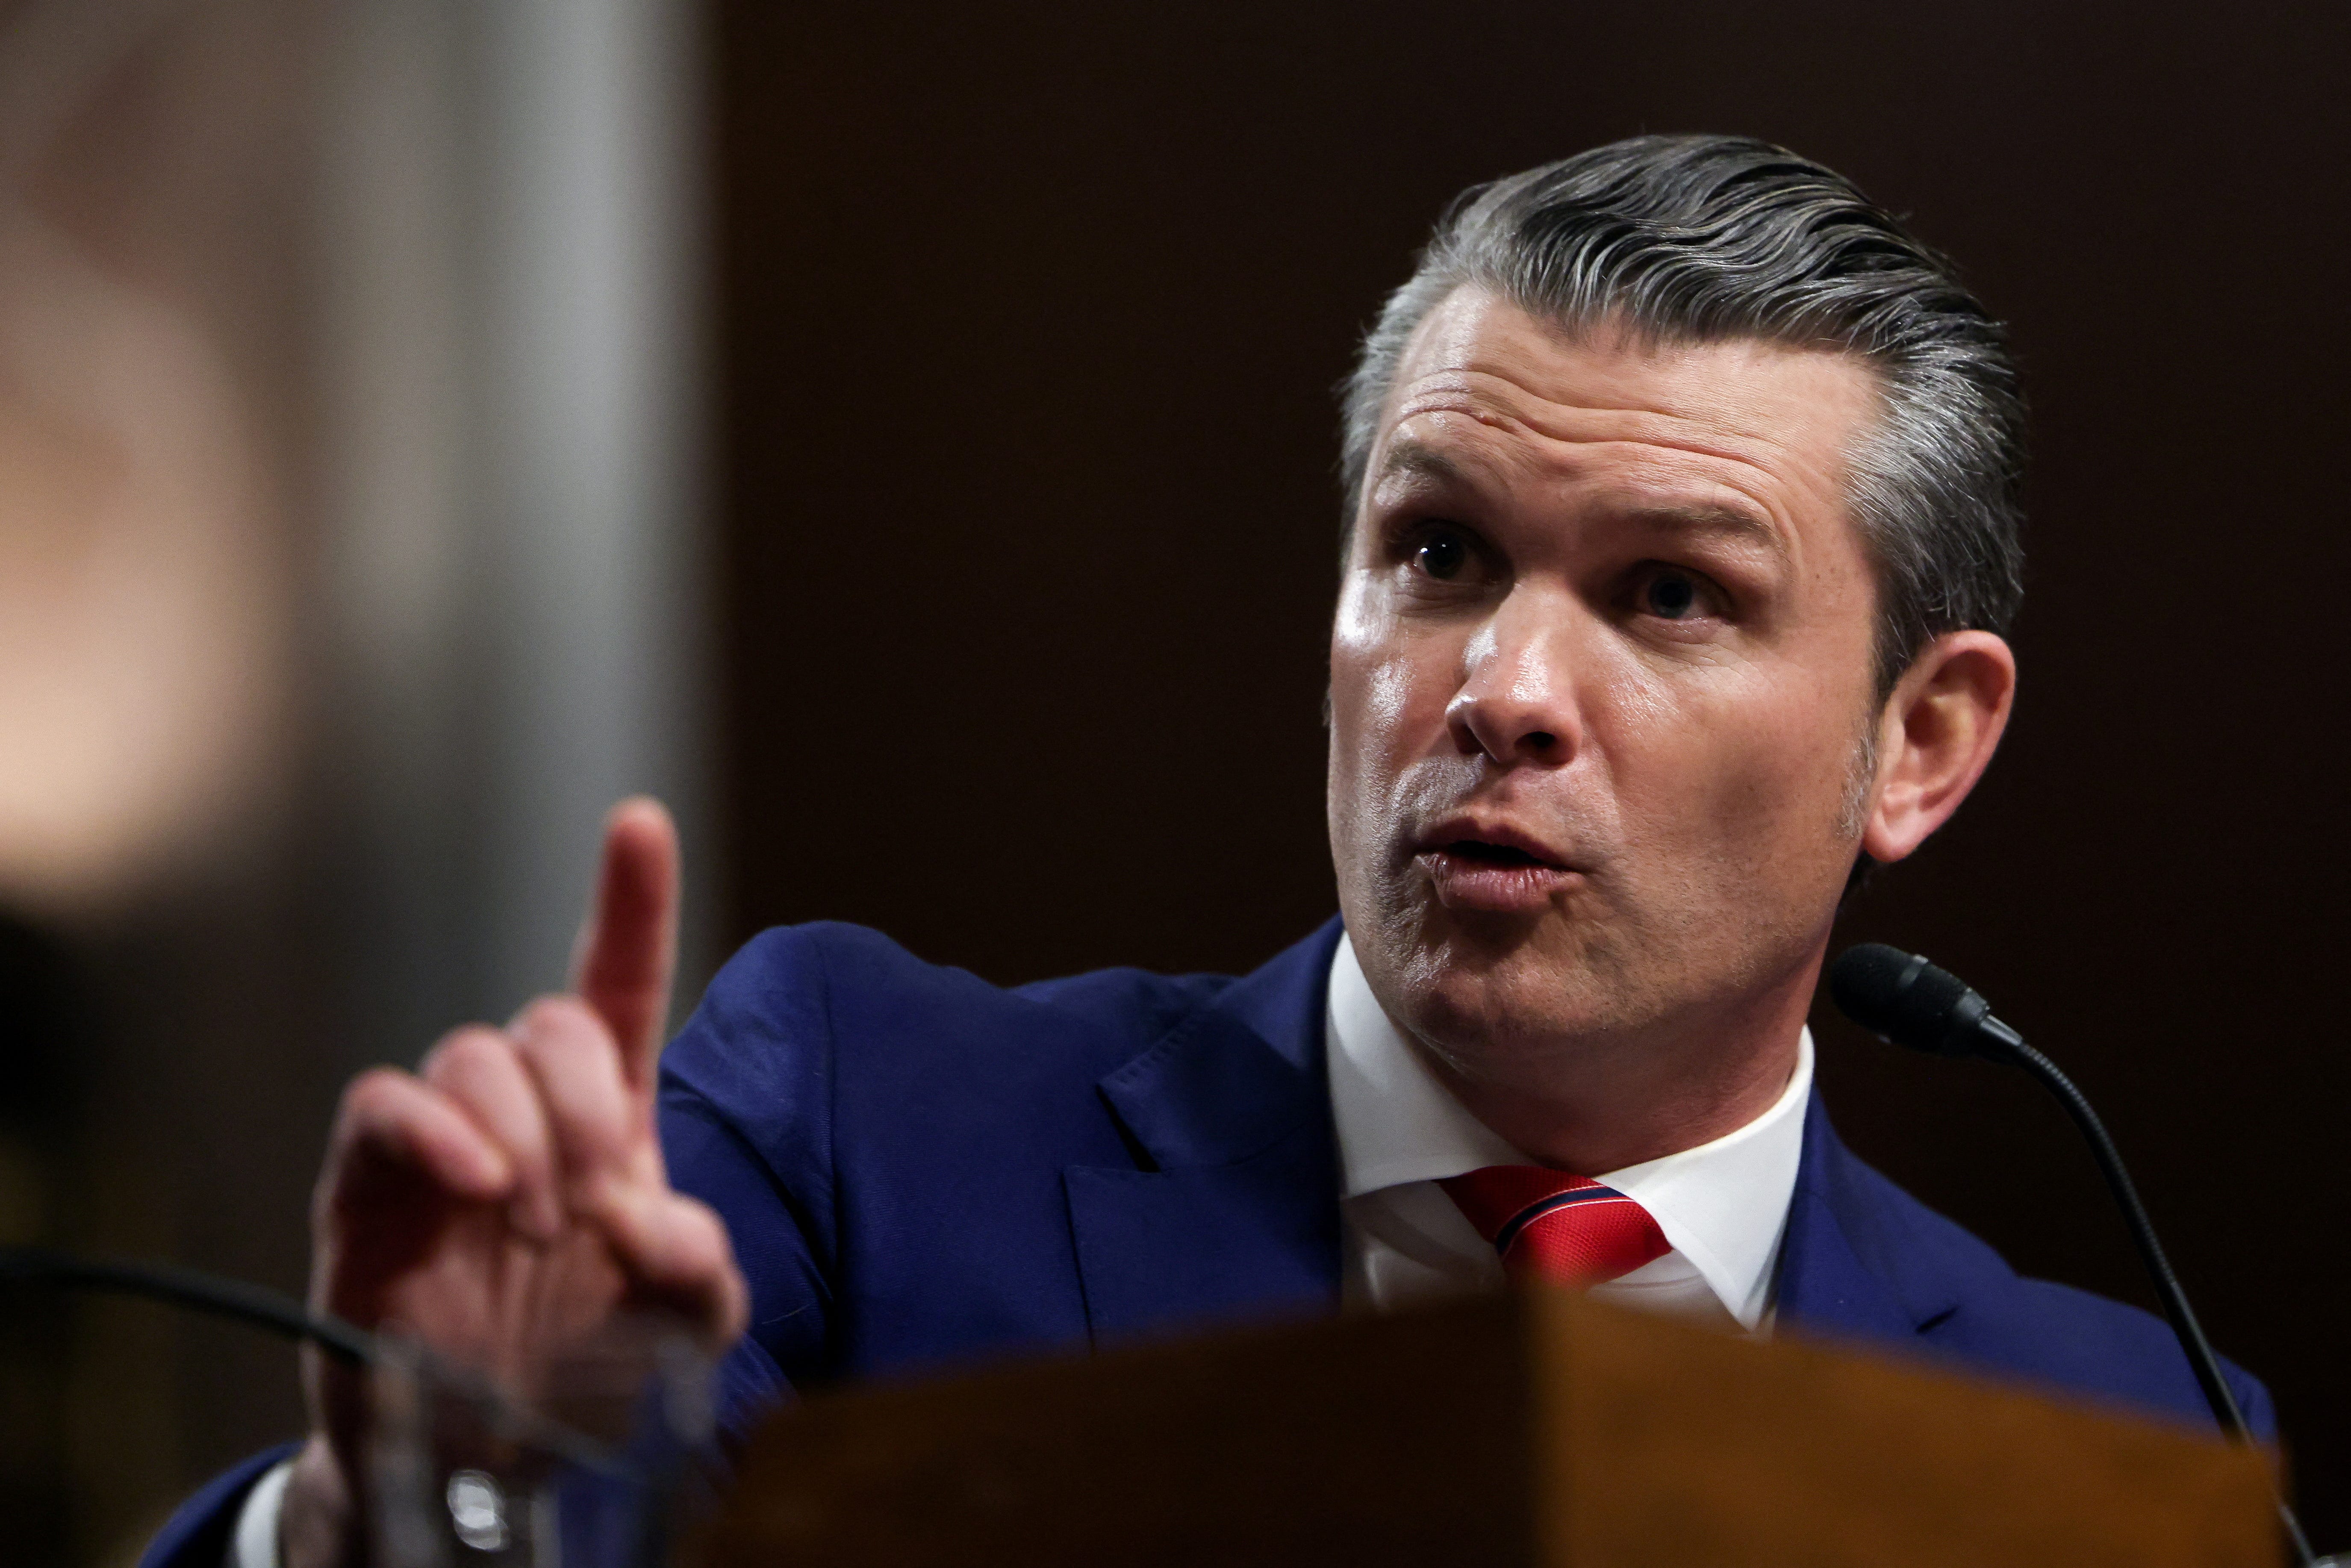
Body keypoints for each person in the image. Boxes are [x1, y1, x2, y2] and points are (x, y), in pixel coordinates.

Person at [144, 135, 2271, 1568]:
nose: (1503, 686)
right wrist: (399, 1497)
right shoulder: (854, 1127)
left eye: (1667, 596)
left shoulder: (2120, 1446)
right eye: (1435, 551)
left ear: (1919, 743)